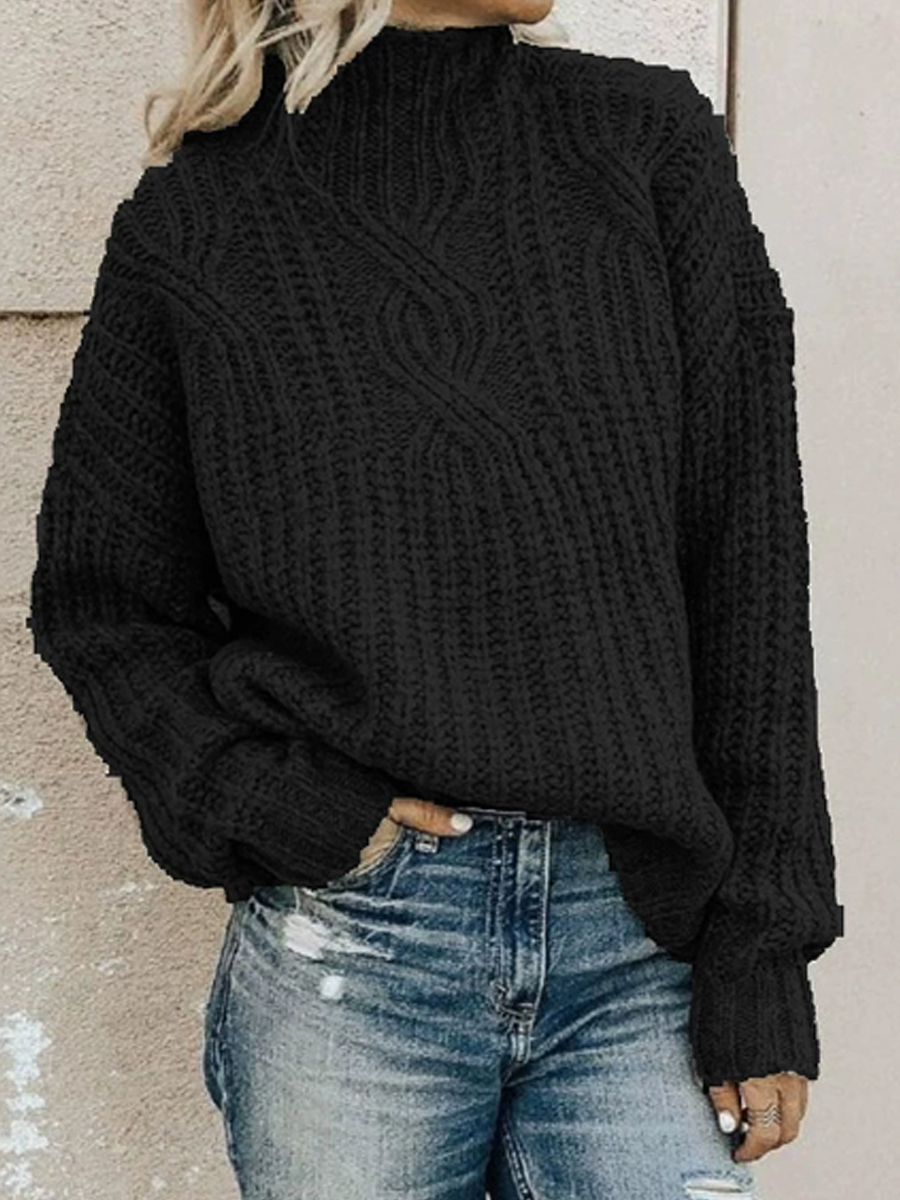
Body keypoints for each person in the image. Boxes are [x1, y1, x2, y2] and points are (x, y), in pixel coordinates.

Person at [27, 0, 845, 1195]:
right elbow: (102, 603)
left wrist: (763, 951)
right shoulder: (202, 214)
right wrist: (272, 802)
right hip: (359, 953)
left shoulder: (643, 144)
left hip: (641, 940)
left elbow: (750, 568)